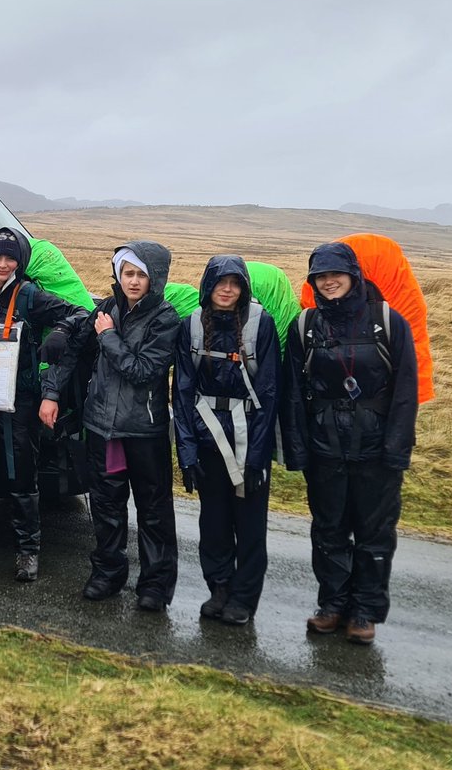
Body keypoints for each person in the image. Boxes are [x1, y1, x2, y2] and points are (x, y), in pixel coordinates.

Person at [284, 241, 418, 645]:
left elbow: (405, 392)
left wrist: (396, 449)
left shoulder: (388, 322)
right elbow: (293, 394)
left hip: (377, 450)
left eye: (335, 274)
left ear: (354, 275)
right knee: (329, 530)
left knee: (374, 533)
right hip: (325, 447)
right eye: (320, 276)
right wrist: (298, 449)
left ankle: (364, 611)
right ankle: (332, 606)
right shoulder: (305, 326)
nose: (328, 282)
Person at [40, 241, 179, 610]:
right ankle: (107, 574)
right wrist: (51, 393)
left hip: (144, 432)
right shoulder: (107, 309)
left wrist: (109, 337)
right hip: (104, 429)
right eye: (127, 273)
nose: (133, 281)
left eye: (141, 275)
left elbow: (142, 370)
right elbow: (73, 347)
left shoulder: (165, 319)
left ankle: (155, 586)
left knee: (153, 510)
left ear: (155, 278)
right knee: (106, 506)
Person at [0, 227, 85, 583]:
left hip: (18, 403)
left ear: (19, 262)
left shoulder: (30, 296)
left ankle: (27, 549)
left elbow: (80, 312)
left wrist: (61, 331)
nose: (3, 264)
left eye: (11, 258)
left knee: (21, 476)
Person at [172, 256, 280, 625]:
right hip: (206, 440)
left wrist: (257, 460)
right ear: (208, 285)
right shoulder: (192, 326)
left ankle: (244, 599)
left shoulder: (260, 325)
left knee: (249, 522)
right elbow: (182, 392)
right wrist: (186, 454)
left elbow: (268, 392)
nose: (228, 289)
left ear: (244, 287)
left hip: (248, 439)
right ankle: (219, 587)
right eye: (221, 282)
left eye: (235, 283)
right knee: (213, 520)